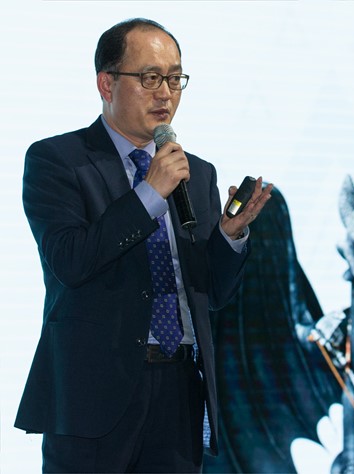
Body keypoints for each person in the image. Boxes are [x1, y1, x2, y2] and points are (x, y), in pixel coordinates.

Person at [14, 18, 272, 472]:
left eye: (175, 79)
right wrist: (148, 194)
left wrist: (230, 237)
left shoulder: (197, 173)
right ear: (106, 83)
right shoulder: (57, 160)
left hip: (179, 389)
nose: (165, 94)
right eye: (150, 78)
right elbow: (71, 261)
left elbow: (210, 293)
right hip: (93, 394)